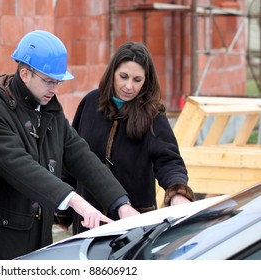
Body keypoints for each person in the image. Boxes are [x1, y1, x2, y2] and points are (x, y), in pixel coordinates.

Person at [0, 30, 139, 260]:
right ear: (25, 74)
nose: (54, 89)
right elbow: (22, 168)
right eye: (49, 81)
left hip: (40, 233)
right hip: (4, 238)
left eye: (58, 82)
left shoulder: (49, 109)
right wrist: (76, 201)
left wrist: (121, 203)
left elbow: (80, 155)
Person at [67, 41, 195, 234]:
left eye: (137, 80)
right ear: (113, 73)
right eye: (123, 77)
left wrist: (178, 193)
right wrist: (64, 209)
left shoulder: (153, 114)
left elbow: (168, 160)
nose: (128, 86)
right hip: (89, 219)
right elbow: (69, 156)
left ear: (146, 81)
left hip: (135, 222)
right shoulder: (90, 103)